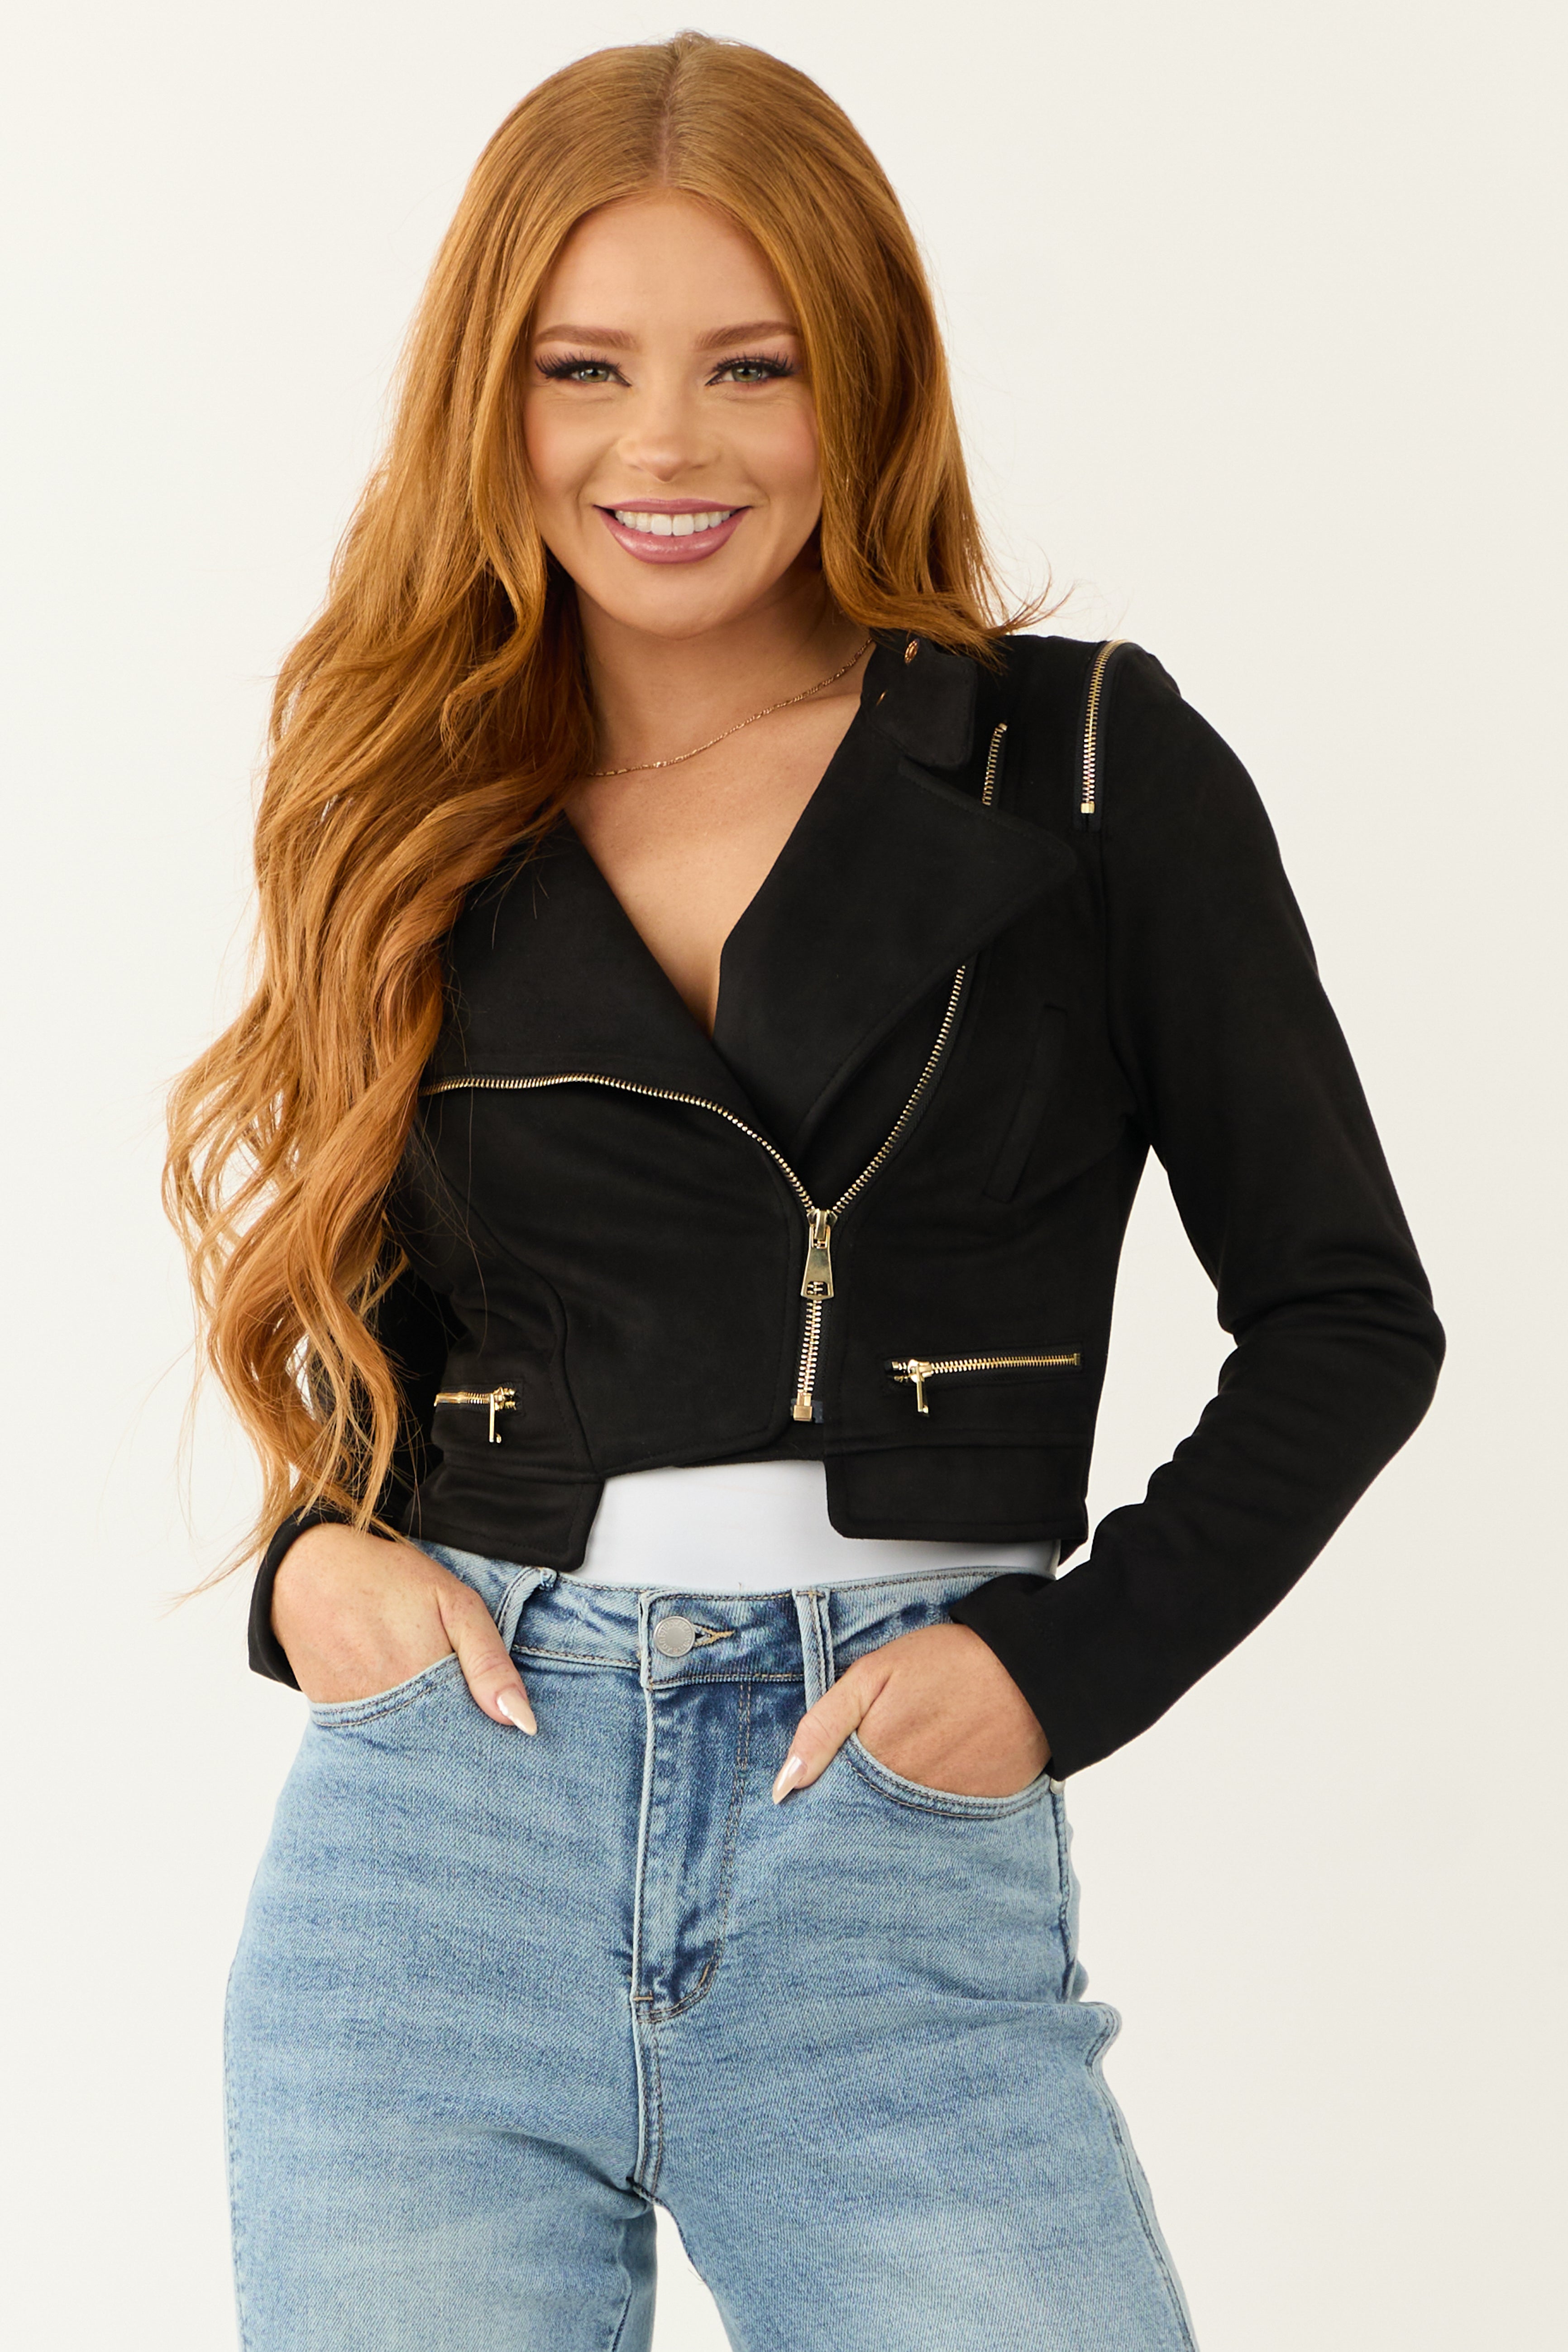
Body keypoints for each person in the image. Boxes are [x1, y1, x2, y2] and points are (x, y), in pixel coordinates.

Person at [166, 33, 1443, 2352]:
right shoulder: (403, 791)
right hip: (437, 1848)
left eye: (748, 366)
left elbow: (1346, 1317)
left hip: (883, 1841)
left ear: (860, 381)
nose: (662, 446)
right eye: (582, 368)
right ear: (488, 397)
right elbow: (374, 1310)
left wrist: (1053, 1669)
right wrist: (310, 1569)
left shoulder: (1081, 769)